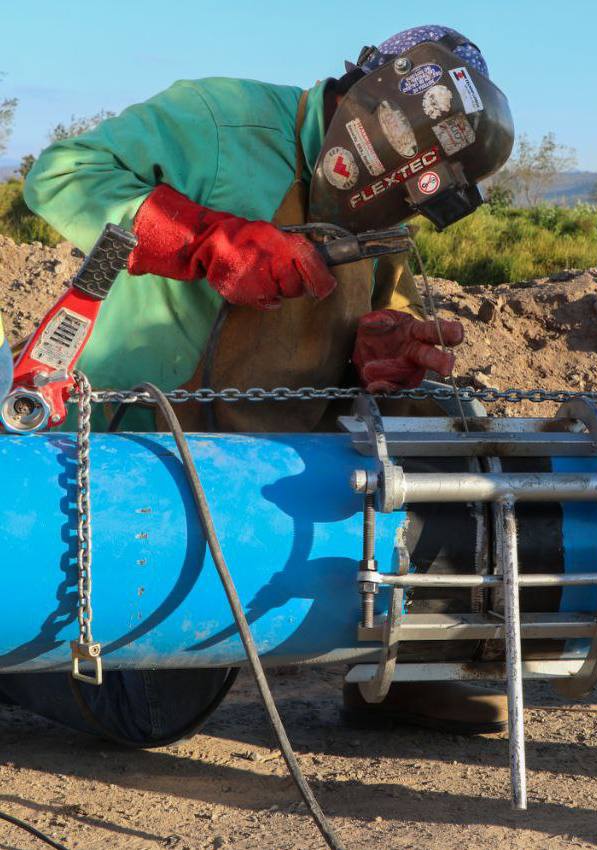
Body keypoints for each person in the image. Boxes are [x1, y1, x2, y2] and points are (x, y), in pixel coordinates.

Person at [0, 25, 514, 746]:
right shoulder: (222, 120)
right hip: (126, 443)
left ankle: (400, 671)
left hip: (259, 468)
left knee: (442, 419)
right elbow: (60, 174)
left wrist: (382, 361)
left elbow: (387, 340)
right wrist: (207, 240)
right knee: (145, 708)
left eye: (407, 190)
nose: (384, 193)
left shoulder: (387, 217)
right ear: (362, 92)